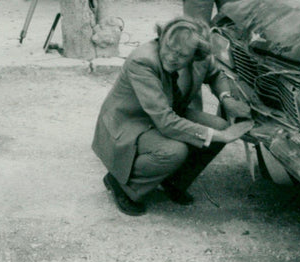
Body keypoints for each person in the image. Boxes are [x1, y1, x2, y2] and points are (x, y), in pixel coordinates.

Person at [92, 16, 253, 216]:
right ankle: (123, 184)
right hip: (130, 123)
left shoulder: (200, 57)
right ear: (162, 37)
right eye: (168, 47)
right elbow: (166, 122)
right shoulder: (142, 61)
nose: (170, 56)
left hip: (167, 112)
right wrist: (224, 136)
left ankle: (173, 181)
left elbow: (216, 75)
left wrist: (226, 98)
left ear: (195, 54)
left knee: (218, 127)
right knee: (174, 151)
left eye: (181, 55)